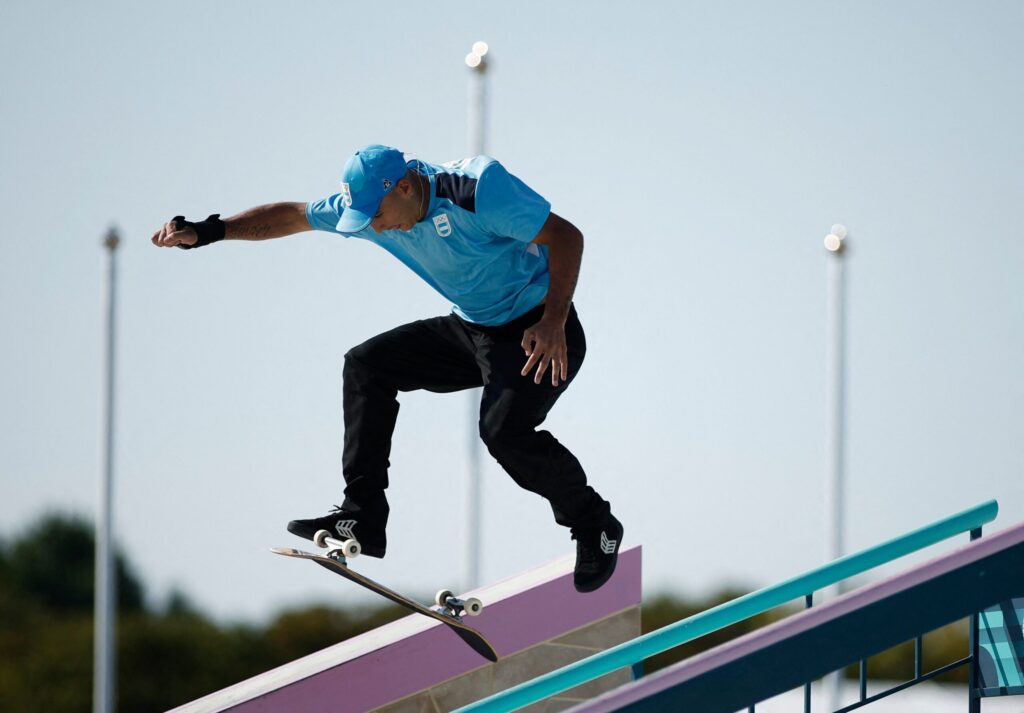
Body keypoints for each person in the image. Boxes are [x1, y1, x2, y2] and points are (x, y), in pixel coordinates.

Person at [152, 145, 623, 593]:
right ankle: (363, 516)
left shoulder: (477, 189)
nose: (373, 228)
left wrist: (554, 320)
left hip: (539, 331)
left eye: (376, 216)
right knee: (366, 365)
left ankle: (595, 525)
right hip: (473, 330)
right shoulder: (367, 208)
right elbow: (292, 215)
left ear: (404, 187)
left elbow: (567, 236)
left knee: (503, 432)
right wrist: (207, 231)